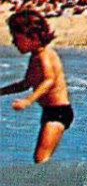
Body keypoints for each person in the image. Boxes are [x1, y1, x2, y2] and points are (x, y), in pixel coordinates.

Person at [4, 9, 73, 163]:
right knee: (40, 158)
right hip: (49, 112)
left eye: (16, 38)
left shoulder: (44, 55)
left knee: (41, 159)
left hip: (59, 113)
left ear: (33, 36)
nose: (13, 42)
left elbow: (49, 80)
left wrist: (28, 101)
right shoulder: (35, 57)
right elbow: (26, 83)